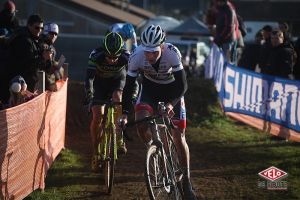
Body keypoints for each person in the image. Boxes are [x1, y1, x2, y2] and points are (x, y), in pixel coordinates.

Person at [121, 24, 197, 199]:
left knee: (179, 137)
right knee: (140, 121)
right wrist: (124, 113)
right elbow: (129, 87)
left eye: (154, 51)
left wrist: (171, 104)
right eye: (147, 51)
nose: (150, 55)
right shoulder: (136, 56)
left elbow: (183, 85)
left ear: (162, 46)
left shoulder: (172, 52)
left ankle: (186, 180)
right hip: (150, 92)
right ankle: (155, 151)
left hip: (173, 93)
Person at [84, 32, 130, 172]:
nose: (112, 60)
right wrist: (89, 95)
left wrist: (130, 97)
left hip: (117, 81)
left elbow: (133, 78)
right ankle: (96, 149)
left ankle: (119, 138)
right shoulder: (96, 55)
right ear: (104, 51)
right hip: (100, 84)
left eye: (115, 57)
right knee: (97, 115)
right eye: (109, 56)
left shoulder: (126, 56)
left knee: (117, 97)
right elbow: (89, 79)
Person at [8, 14, 52, 92]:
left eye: (41, 28)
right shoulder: (23, 41)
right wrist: (43, 57)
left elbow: (42, 66)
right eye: (37, 27)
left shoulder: (34, 40)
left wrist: (47, 58)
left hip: (27, 84)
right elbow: (26, 66)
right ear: (29, 26)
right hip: (20, 85)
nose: (39, 30)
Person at [214, 0, 240, 64]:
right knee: (223, 62)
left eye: (219, 2)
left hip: (228, 41)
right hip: (224, 40)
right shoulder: (222, 9)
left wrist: (220, 38)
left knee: (228, 63)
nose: (218, 3)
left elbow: (229, 27)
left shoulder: (228, 10)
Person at [40, 22, 62, 91]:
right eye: (51, 33)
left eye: (56, 34)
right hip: (40, 83)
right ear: (46, 32)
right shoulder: (41, 45)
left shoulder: (52, 48)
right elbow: (44, 67)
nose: (54, 36)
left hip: (46, 82)